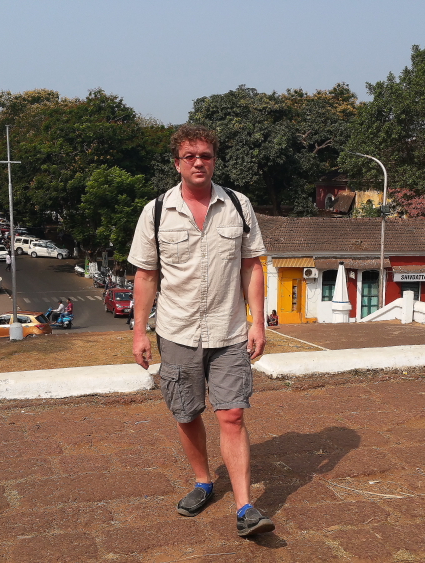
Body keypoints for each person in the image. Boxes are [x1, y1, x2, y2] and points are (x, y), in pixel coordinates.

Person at [128, 124, 273, 537]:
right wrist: (139, 333)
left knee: (232, 414)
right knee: (187, 412)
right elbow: (146, 275)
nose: (198, 163)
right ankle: (204, 482)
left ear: (214, 161)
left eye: (205, 156)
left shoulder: (238, 206)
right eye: (189, 156)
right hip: (177, 332)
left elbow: (251, 266)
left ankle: (246, 507)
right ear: (177, 163)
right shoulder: (157, 211)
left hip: (229, 331)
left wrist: (258, 322)